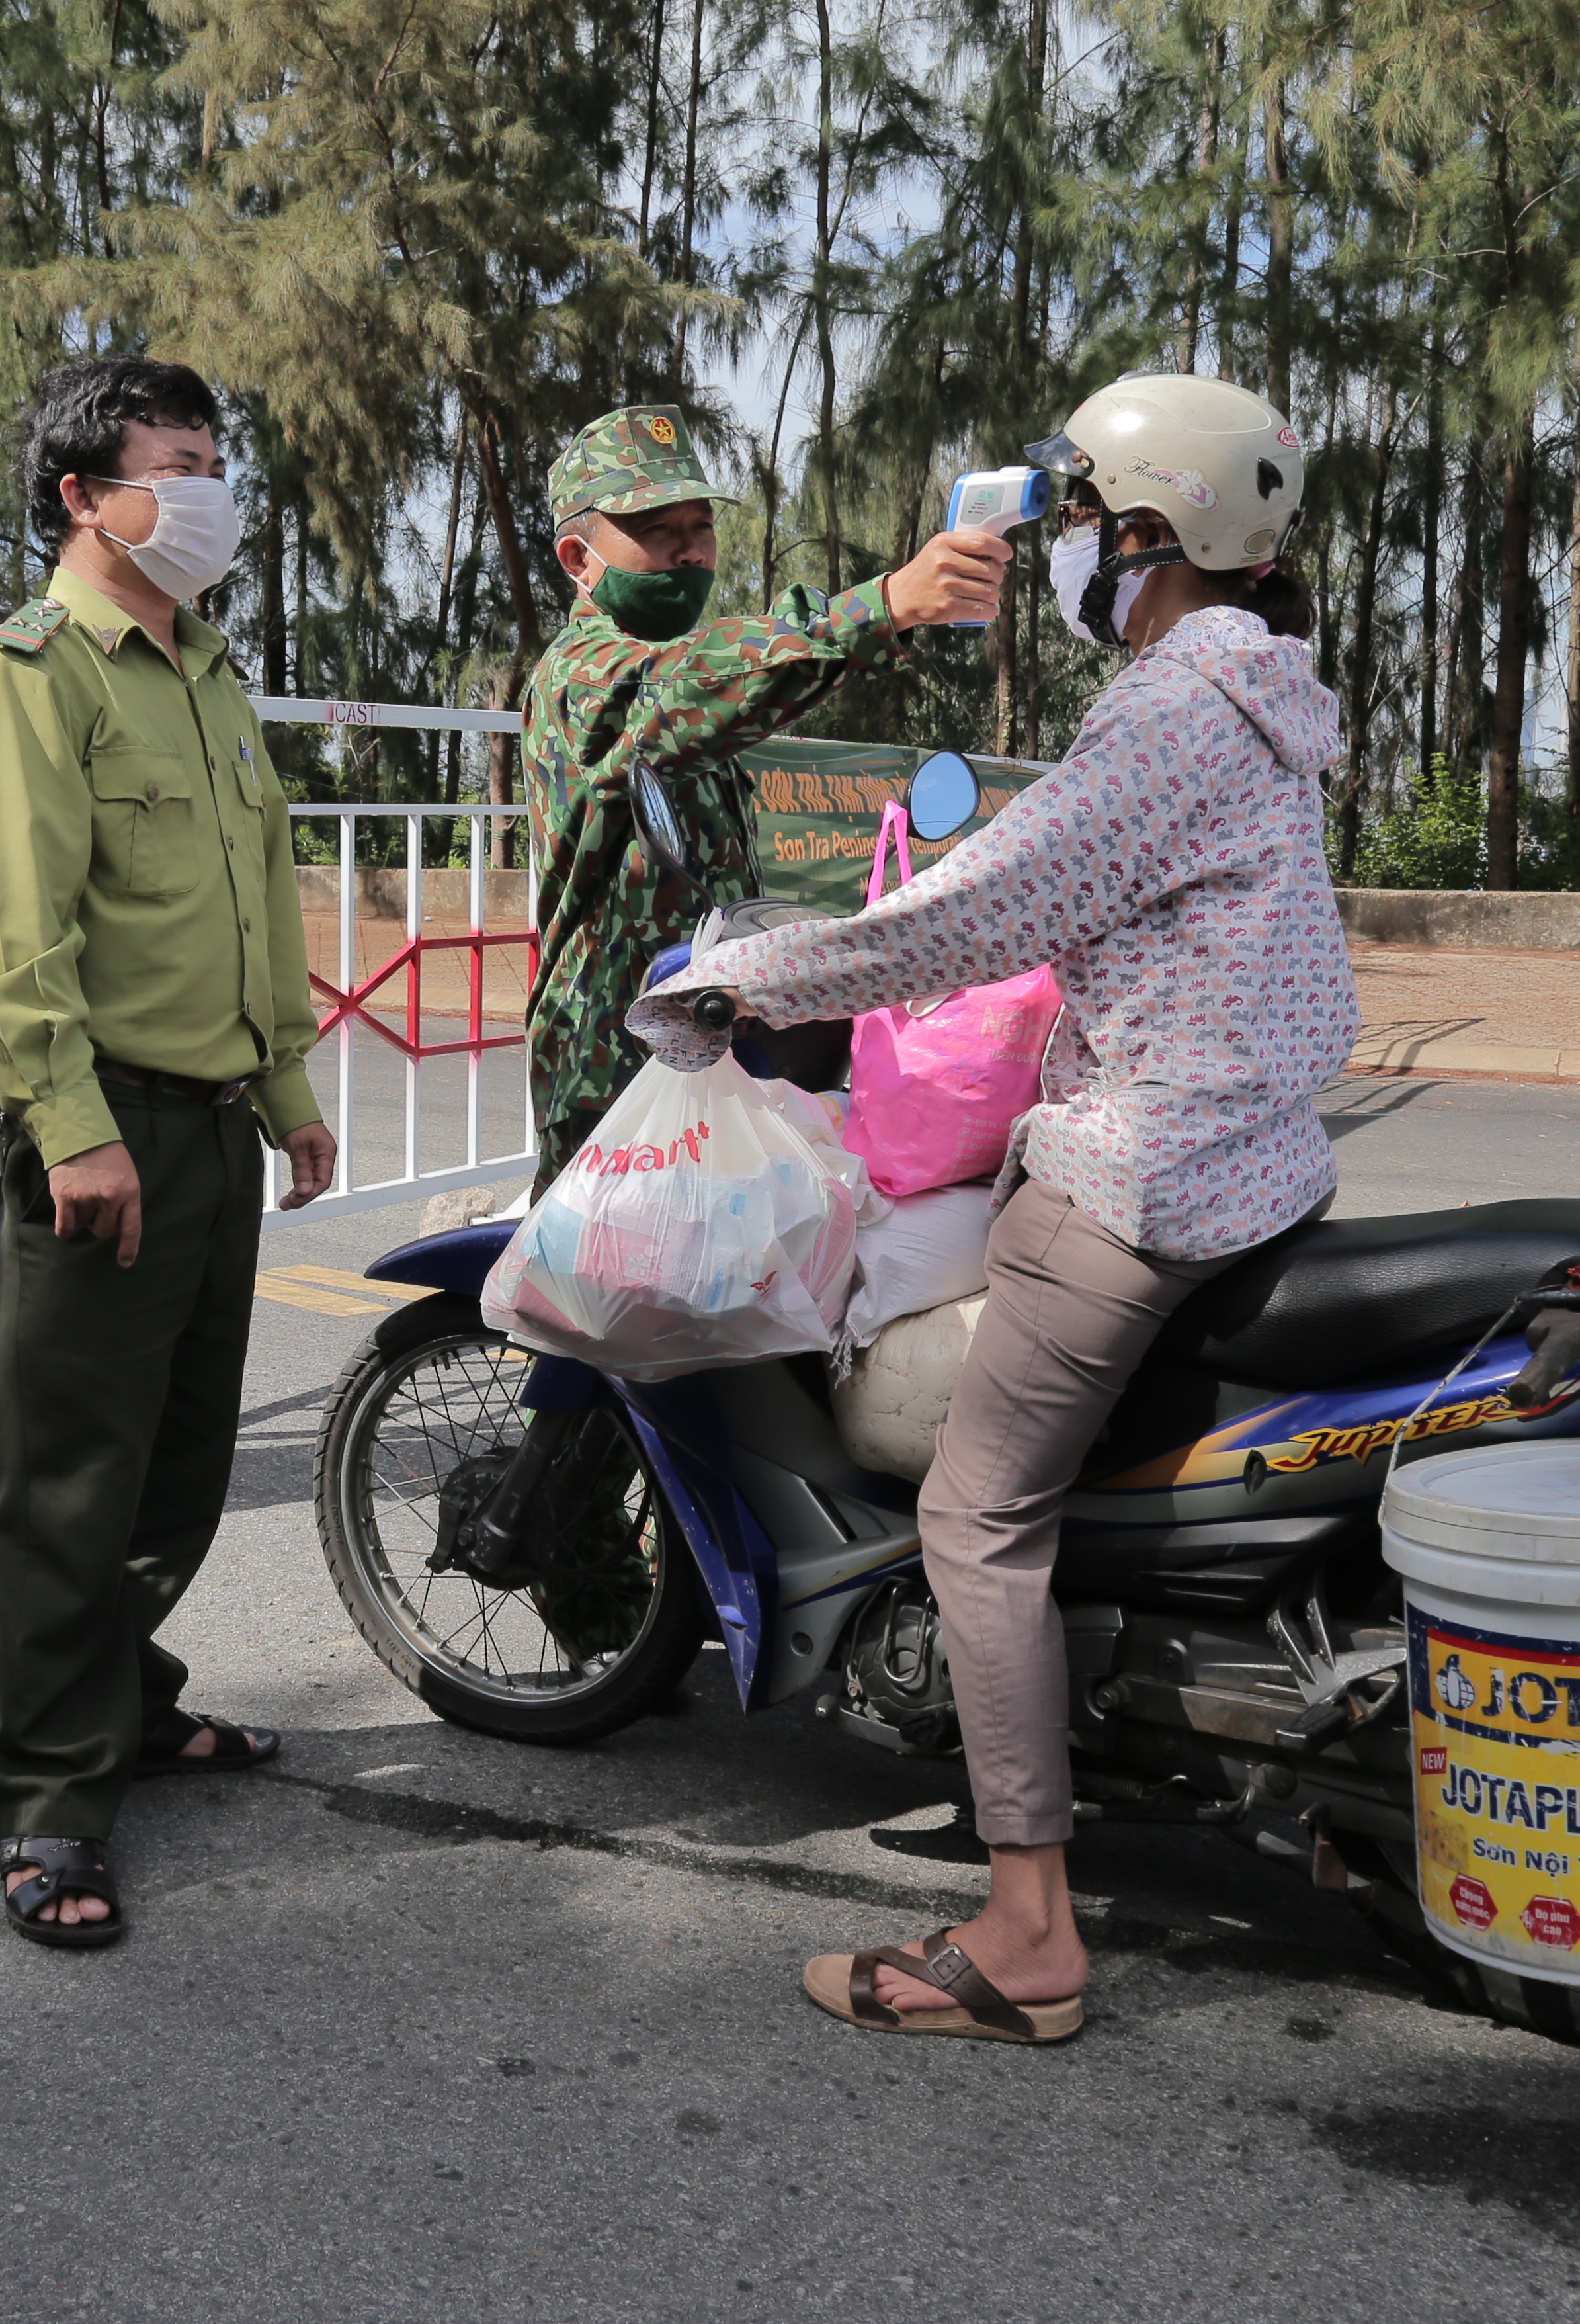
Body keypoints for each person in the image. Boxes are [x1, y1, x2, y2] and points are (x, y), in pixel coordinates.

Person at [635, 374, 1355, 2044]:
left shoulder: (1175, 708)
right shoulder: (1258, 692)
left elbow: (967, 915)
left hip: (1139, 1180)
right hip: (1253, 1159)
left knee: (974, 1517)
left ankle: (1027, 1929)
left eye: (1085, 523)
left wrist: (736, 978)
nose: (1070, 556)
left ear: (1149, 539)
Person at [0, 357, 339, 1950]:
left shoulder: (206, 674)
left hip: (211, 1124)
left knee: (177, 1468)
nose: (209, 489)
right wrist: (72, 1132)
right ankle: (46, 1800)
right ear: (83, 495)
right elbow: (10, 938)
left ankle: (122, 1701)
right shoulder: (30, 678)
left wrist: (289, 1089)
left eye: (217, 459)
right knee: (67, 1485)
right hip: (93, 1130)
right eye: (175, 461)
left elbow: (254, 902)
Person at [520, 405, 1009, 1178]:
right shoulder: (584, 674)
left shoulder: (694, 674)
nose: (688, 549)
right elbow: (691, 682)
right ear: (579, 558)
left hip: (708, 1040)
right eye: (655, 529)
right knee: (607, 1286)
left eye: (699, 524)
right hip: (615, 1062)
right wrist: (881, 608)